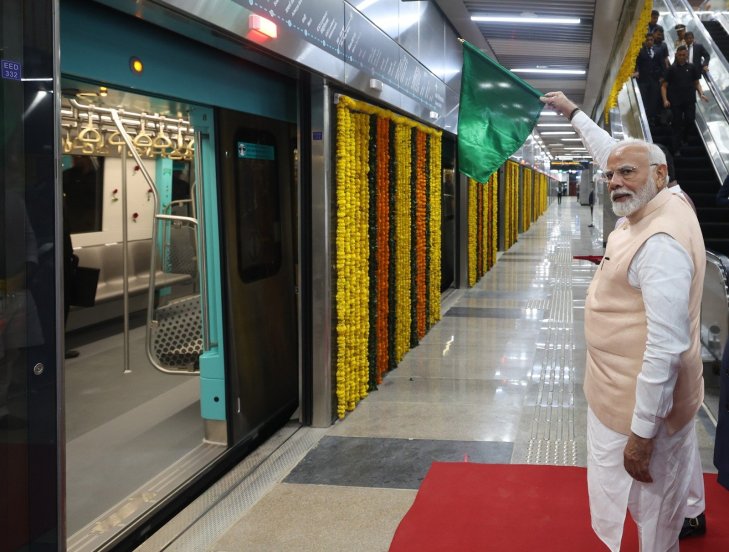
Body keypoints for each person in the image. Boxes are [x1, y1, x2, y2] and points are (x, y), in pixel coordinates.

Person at [540, 90, 708, 550]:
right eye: (610, 175)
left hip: (639, 404)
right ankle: (692, 511)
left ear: (660, 174)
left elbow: (664, 347)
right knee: (673, 480)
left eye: (626, 173)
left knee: (652, 509)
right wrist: (574, 114)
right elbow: (615, 156)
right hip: (645, 394)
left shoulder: (660, 243)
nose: (615, 181)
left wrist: (641, 434)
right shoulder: (667, 200)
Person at [661, 45, 708, 157]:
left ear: (687, 56)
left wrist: (701, 94)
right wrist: (665, 99)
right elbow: (664, 86)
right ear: (676, 55)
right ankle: (676, 149)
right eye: (680, 55)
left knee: (690, 120)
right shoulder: (671, 69)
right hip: (676, 102)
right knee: (676, 125)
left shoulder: (692, 68)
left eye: (684, 55)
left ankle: (685, 138)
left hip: (689, 100)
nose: (682, 57)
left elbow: (696, 83)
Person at [633, 33, 664, 123]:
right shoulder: (640, 51)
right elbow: (636, 63)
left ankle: (652, 117)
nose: (650, 42)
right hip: (643, 79)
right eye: (648, 40)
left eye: (651, 40)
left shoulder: (658, 51)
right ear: (645, 41)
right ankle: (644, 117)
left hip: (654, 79)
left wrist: (662, 76)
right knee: (644, 98)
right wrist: (635, 72)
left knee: (653, 98)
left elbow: (662, 64)